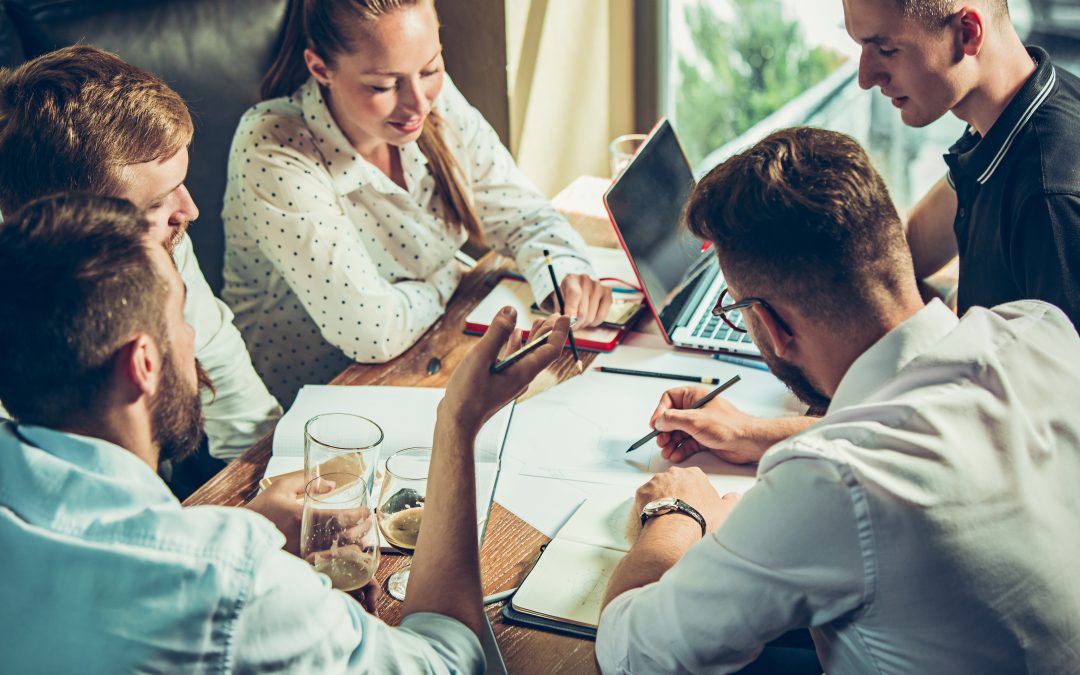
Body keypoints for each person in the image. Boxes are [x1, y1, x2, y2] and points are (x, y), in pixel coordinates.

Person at [0, 192, 569, 672]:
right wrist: (457, 422)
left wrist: (240, 522)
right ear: (142, 364)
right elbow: (446, 660)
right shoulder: (236, 587)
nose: (193, 340)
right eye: (180, 321)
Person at [595, 128, 1080, 673]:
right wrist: (755, 433)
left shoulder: (832, 482)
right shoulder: (1041, 331)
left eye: (738, 312)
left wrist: (678, 512)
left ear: (773, 325)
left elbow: (631, 652)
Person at [222, 0, 612, 405]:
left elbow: (523, 215)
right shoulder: (271, 146)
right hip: (309, 411)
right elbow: (372, 332)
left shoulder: (428, 100)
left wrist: (564, 271)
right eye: (382, 86)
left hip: (430, 358)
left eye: (430, 69)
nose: (419, 103)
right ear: (321, 69)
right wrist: (448, 276)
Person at [0, 46, 282, 486]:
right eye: (155, 202)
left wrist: (277, 475)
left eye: (180, 185)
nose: (189, 210)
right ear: (76, 225)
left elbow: (226, 375)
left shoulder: (159, 238)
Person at [845, 0, 1080, 326]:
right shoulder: (1001, 125)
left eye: (885, 49)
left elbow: (1061, 375)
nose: (865, 78)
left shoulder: (1049, 199)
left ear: (968, 33)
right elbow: (911, 243)